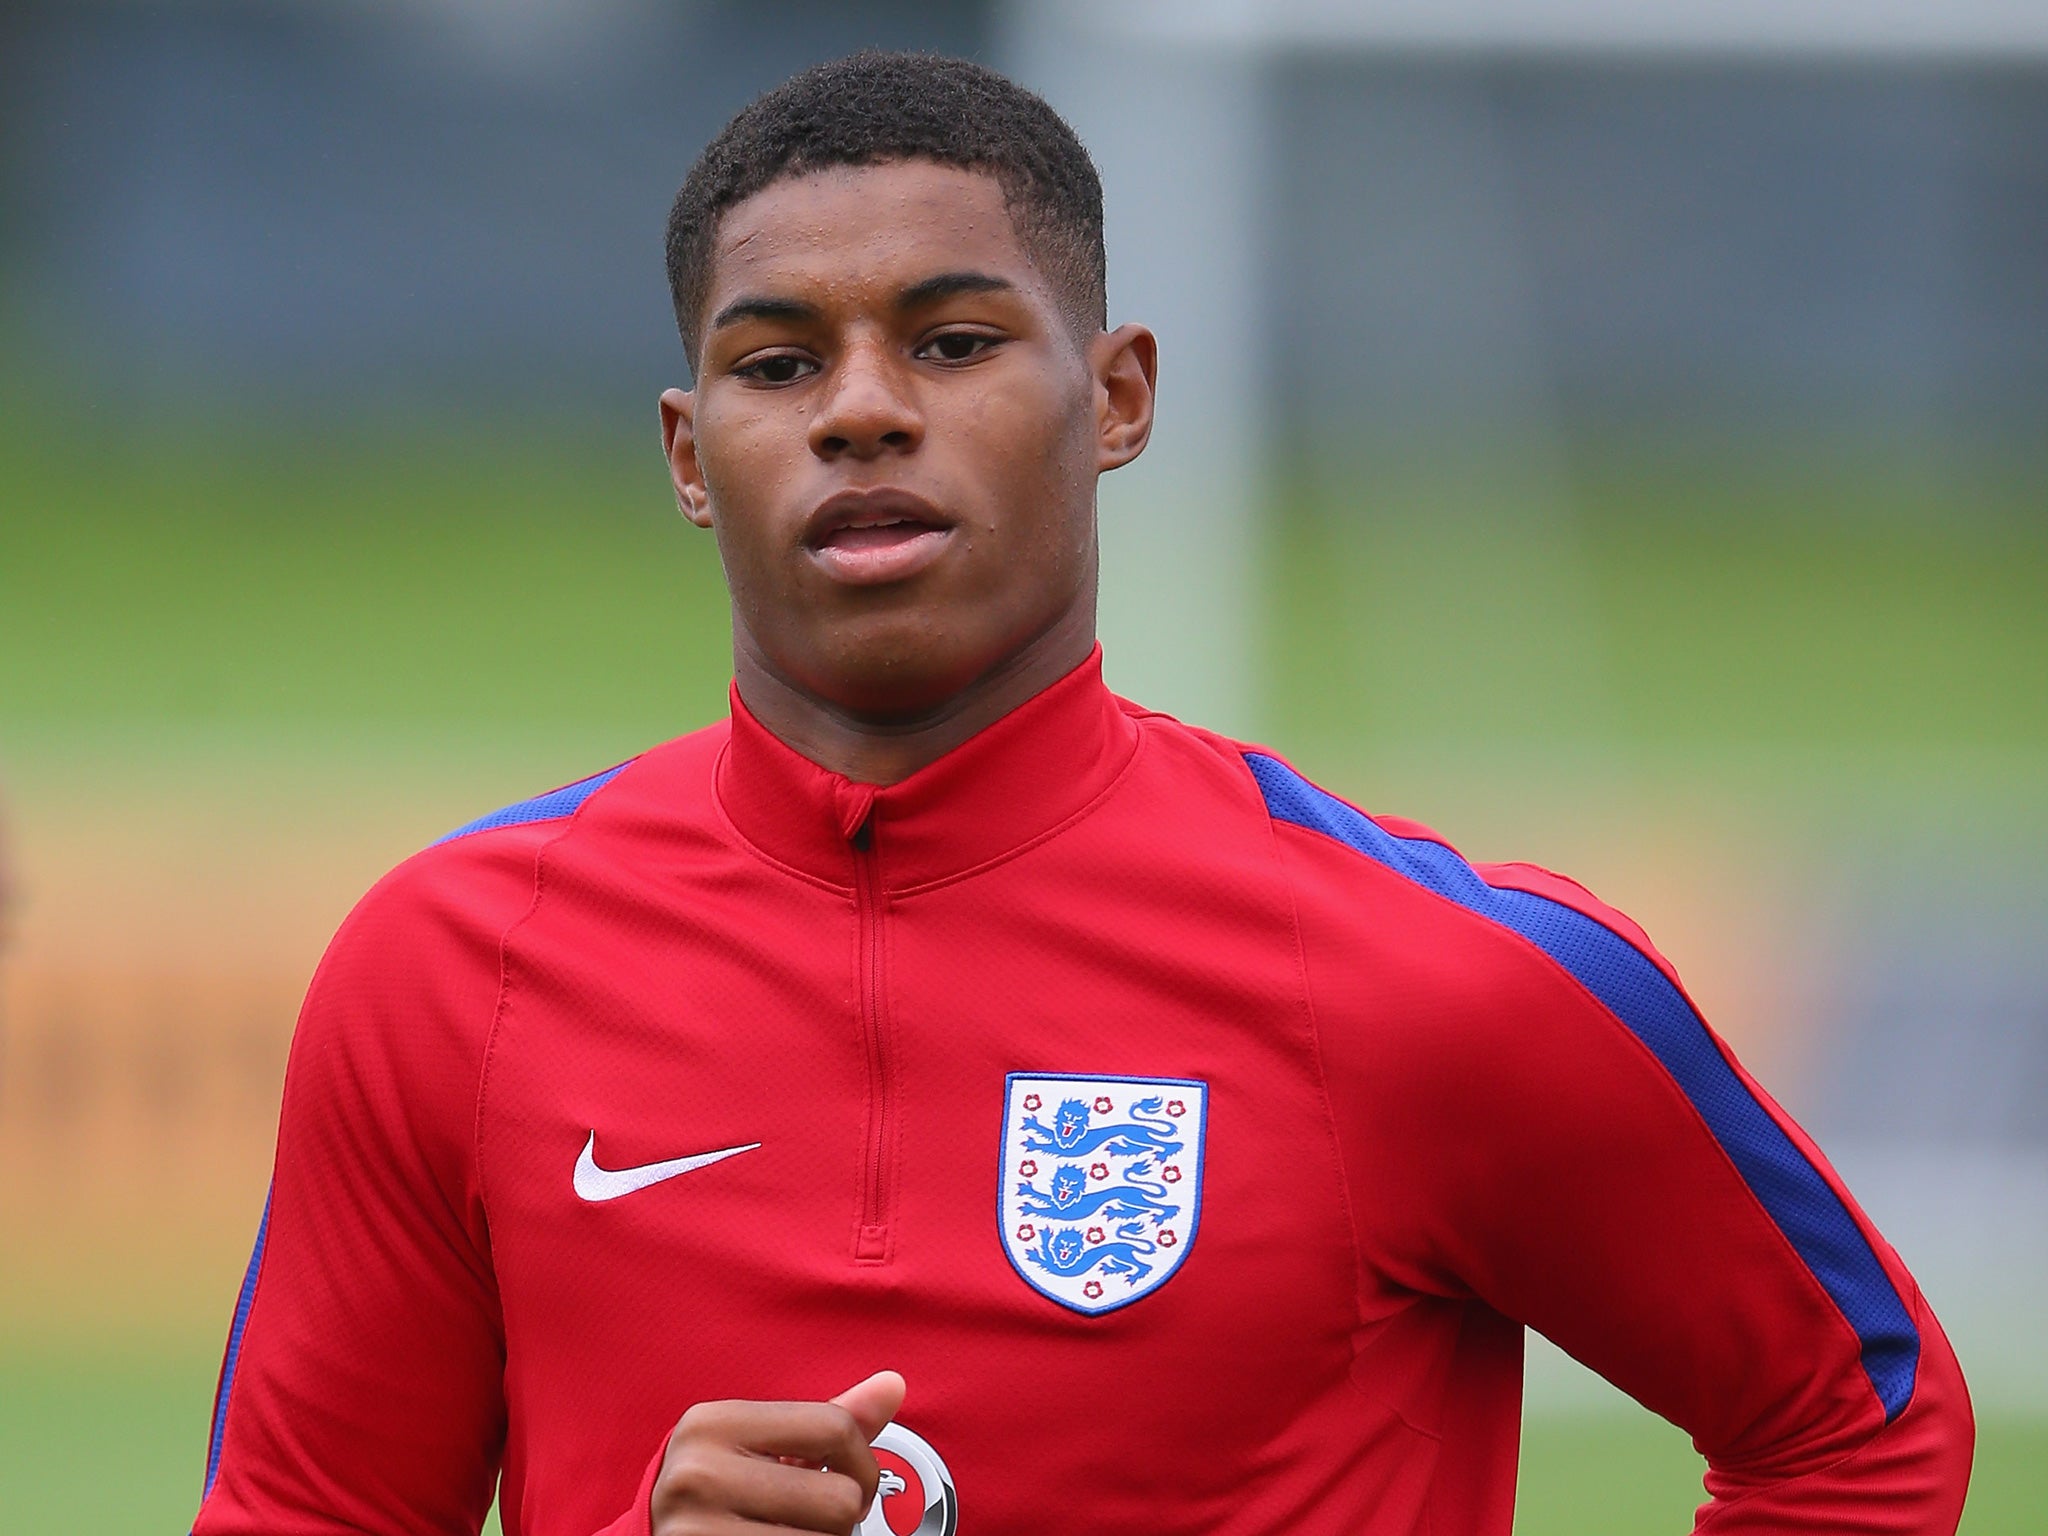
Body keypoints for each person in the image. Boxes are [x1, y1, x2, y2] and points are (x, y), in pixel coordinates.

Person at [189, 50, 1972, 1536]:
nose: (862, 412)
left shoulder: (1438, 977)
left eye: (955, 342)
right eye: (779, 361)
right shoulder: (450, 969)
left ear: (1115, 399)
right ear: (688, 452)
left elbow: (1859, 1426)